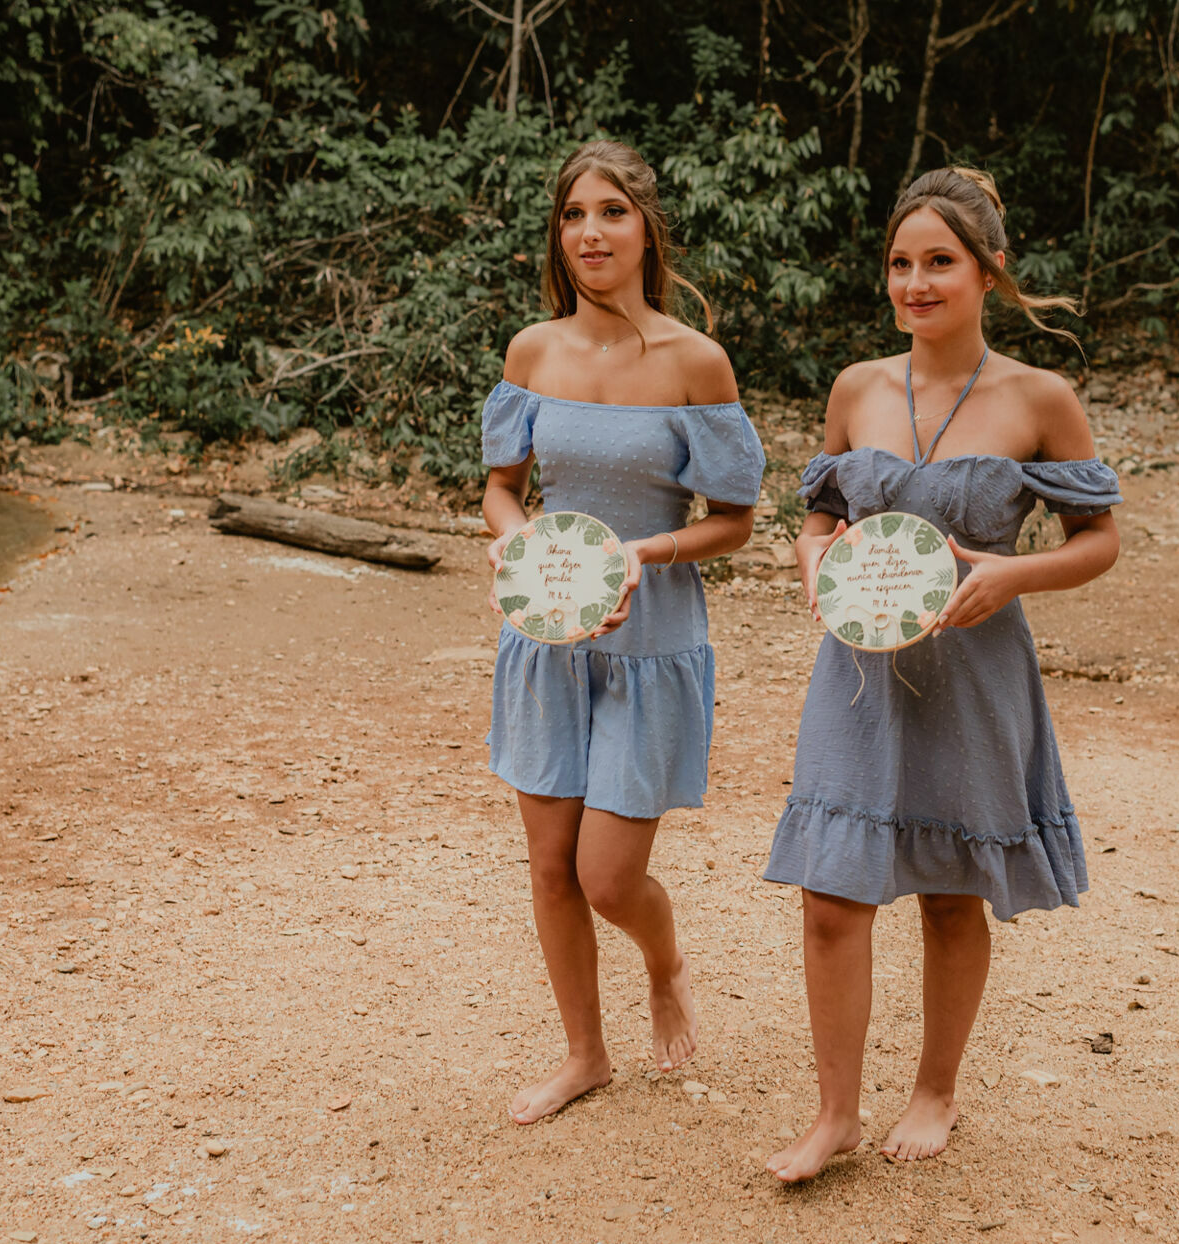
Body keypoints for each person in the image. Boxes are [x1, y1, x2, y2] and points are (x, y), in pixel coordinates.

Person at [763, 167, 1122, 1182]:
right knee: (830, 891)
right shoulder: (857, 387)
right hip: (859, 667)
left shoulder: (1039, 397)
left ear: (989, 270)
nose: (915, 282)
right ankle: (833, 1114)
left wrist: (1016, 574)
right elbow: (823, 511)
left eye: (939, 262)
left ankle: (935, 1089)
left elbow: (1098, 541)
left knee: (949, 892)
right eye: (899, 263)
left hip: (974, 667)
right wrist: (812, 555)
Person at [480, 140, 766, 1125]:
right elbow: (501, 490)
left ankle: (665, 959)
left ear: (647, 226)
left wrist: (645, 555)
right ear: (558, 237)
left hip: (650, 641)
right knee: (550, 864)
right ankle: (584, 1054)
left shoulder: (695, 360)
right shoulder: (533, 350)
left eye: (610, 212)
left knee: (609, 875)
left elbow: (734, 517)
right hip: (548, 637)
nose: (591, 232)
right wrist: (514, 548)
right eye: (573, 216)